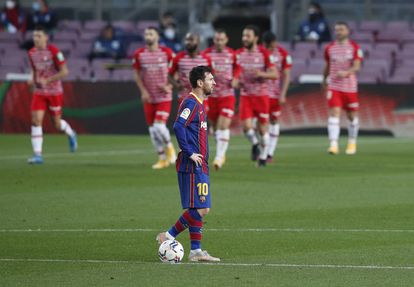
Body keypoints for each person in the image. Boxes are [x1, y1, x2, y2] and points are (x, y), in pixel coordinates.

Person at [156, 65, 220, 262]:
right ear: (200, 83)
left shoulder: (199, 104)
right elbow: (178, 126)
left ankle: (195, 251)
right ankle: (169, 235)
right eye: (210, 79)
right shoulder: (191, 103)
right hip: (191, 164)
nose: (214, 83)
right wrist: (190, 152)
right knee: (202, 208)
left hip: (200, 164)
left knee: (198, 207)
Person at [27, 25, 77, 164]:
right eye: (34, 36)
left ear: (46, 37)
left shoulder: (54, 51)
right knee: (36, 120)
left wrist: (48, 80)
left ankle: (71, 133)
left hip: (54, 92)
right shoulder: (31, 53)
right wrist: (31, 79)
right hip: (40, 92)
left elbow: (64, 72)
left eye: (39, 36)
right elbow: (34, 69)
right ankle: (38, 155)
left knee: (56, 124)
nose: (36, 39)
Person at [233, 25, 278, 167]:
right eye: (243, 36)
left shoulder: (264, 54)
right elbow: (236, 73)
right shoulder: (239, 54)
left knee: (262, 129)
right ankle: (255, 144)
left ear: (256, 38)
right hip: (246, 96)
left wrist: (261, 74)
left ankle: (263, 157)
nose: (244, 39)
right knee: (246, 127)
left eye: (248, 36)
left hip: (261, 96)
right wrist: (236, 81)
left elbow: (275, 74)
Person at [132, 27, 177, 169]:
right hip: (149, 97)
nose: (148, 36)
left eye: (151, 33)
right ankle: (162, 158)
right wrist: (143, 91)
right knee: (152, 130)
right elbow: (137, 75)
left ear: (157, 36)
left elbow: (176, 70)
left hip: (164, 96)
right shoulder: (139, 54)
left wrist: (169, 86)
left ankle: (170, 148)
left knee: (159, 125)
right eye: (146, 34)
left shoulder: (167, 53)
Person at [322, 21, 363, 155]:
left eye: (341, 30)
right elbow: (327, 65)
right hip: (335, 86)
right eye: (337, 30)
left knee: (351, 116)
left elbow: (357, 66)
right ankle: (333, 144)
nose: (339, 32)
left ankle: (352, 142)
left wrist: (346, 72)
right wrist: (324, 79)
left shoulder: (355, 47)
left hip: (350, 87)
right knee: (334, 113)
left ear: (348, 31)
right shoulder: (329, 48)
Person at [203, 29, 236, 170]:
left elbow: (238, 68)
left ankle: (219, 157)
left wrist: (236, 78)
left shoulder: (232, 54)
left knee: (223, 125)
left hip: (227, 95)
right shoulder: (206, 55)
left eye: (222, 40)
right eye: (217, 40)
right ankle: (221, 152)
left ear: (226, 40)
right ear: (214, 40)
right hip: (211, 97)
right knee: (215, 127)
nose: (219, 42)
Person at [262, 31, 292, 162]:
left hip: (274, 94)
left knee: (274, 121)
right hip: (260, 94)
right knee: (260, 123)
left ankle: (270, 153)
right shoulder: (259, 53)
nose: (271, 47)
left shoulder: (282, 54)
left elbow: (286, 75)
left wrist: (283, 93)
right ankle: (263, 149)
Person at [169, 32, 211, 104]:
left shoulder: (206, 59)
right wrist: (176, 85)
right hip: (184, 98)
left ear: (198, 41)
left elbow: (212, 75)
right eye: (187, 40)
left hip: (202, 99)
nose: (188, 42)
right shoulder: (178, 58)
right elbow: (169, 75)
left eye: (191, 40)